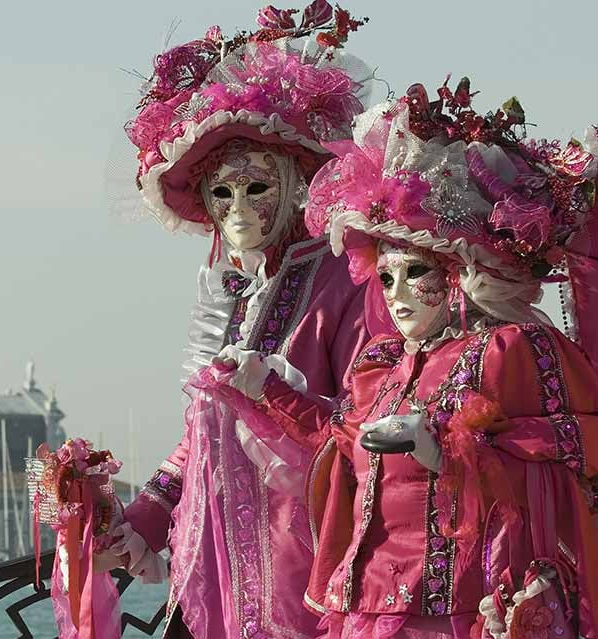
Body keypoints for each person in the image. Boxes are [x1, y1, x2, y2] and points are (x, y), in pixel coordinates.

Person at [203, 83, 598, 637]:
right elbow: (339, 440)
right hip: (365, 608)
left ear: (458, 273)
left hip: (455, 612)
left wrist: (444, 448)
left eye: (416, 273)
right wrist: (266, 388)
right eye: (385, 277)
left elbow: (556, 459)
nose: (396, 294)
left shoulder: (508, 350)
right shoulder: (382, 366)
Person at [84, 3, 385, 638]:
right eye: (222, 192)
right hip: (211, 568)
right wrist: (139, 519)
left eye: (257, 187)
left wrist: (270, 396)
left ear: (298, 185)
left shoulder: (343, 282)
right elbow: (202, 439)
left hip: (302, 570)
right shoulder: (230, 292)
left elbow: (362, 431)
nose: (238, 207)